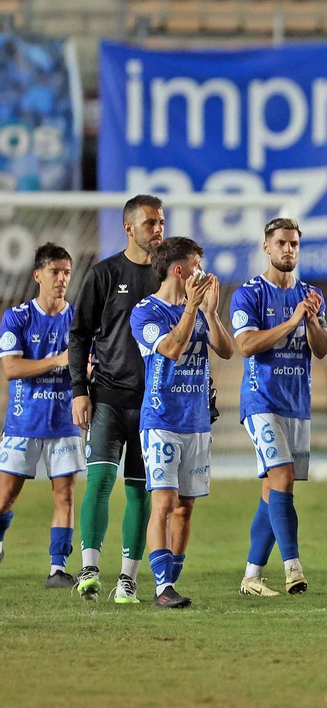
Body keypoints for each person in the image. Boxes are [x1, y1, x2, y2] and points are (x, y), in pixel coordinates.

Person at [68, 194, 164, 603]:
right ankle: (89, 568)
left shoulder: (169, 278)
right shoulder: (105, 274)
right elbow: (79, 334)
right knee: (101, 480)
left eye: (161, 222)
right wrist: (78, 391)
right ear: (129, 228)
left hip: (153, 404)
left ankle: (128, 579)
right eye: (150, 224)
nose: (158, 230)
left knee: (141, 490)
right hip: (106, 396)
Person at [132, 237, 237, 609]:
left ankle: (170, 583)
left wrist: (211, 313)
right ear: (180, 270)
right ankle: (162, 588)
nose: (203, 273)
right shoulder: (146, 313)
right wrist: (191, 309)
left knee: (185, 507)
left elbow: (226, 350)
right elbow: (173, 349)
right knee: (163, 502)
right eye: (197, 266)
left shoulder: (198, 307)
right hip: (161, 420)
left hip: (196, 421)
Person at [232, 218, 327, 597]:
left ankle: (251, 577)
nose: (288, 250)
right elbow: (246, 345)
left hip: (296, 404)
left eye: (294, 244)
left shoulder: (312, 295)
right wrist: (291, 321)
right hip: (261, 402)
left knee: (272, 490)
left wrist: (310, 321)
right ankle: (293, 568)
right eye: (281, 243)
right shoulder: (249, 294)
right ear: (266, 248)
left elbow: (321, 349)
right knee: (283, 477)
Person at [0, 243, 82, 587]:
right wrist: (56, 361)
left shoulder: (78, 318)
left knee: (64, 495)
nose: (62, 278)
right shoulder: (17, 317)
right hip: (24, 422)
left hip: (65, 422)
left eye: (66, 272)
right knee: (6, 495)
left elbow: (87, 364)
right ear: (38, 275)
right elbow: (11, 368)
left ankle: (57, 569)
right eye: (55, 272)